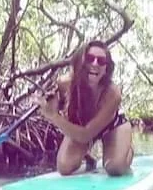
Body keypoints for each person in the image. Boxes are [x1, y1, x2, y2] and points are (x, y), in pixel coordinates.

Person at [33, 40, 134, 176]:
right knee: (64, 168)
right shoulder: (64, 83)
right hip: (82, 125)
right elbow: (53, 104)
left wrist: (53, 116)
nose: (95, 64)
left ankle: (126, 151)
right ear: (79, 62)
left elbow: (86, 135)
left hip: (113, 126)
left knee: (114, 168)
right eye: (89, 59)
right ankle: (86, 155)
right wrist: (49, 103)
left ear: (106, 68)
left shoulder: (113, 93)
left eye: (101, 61)